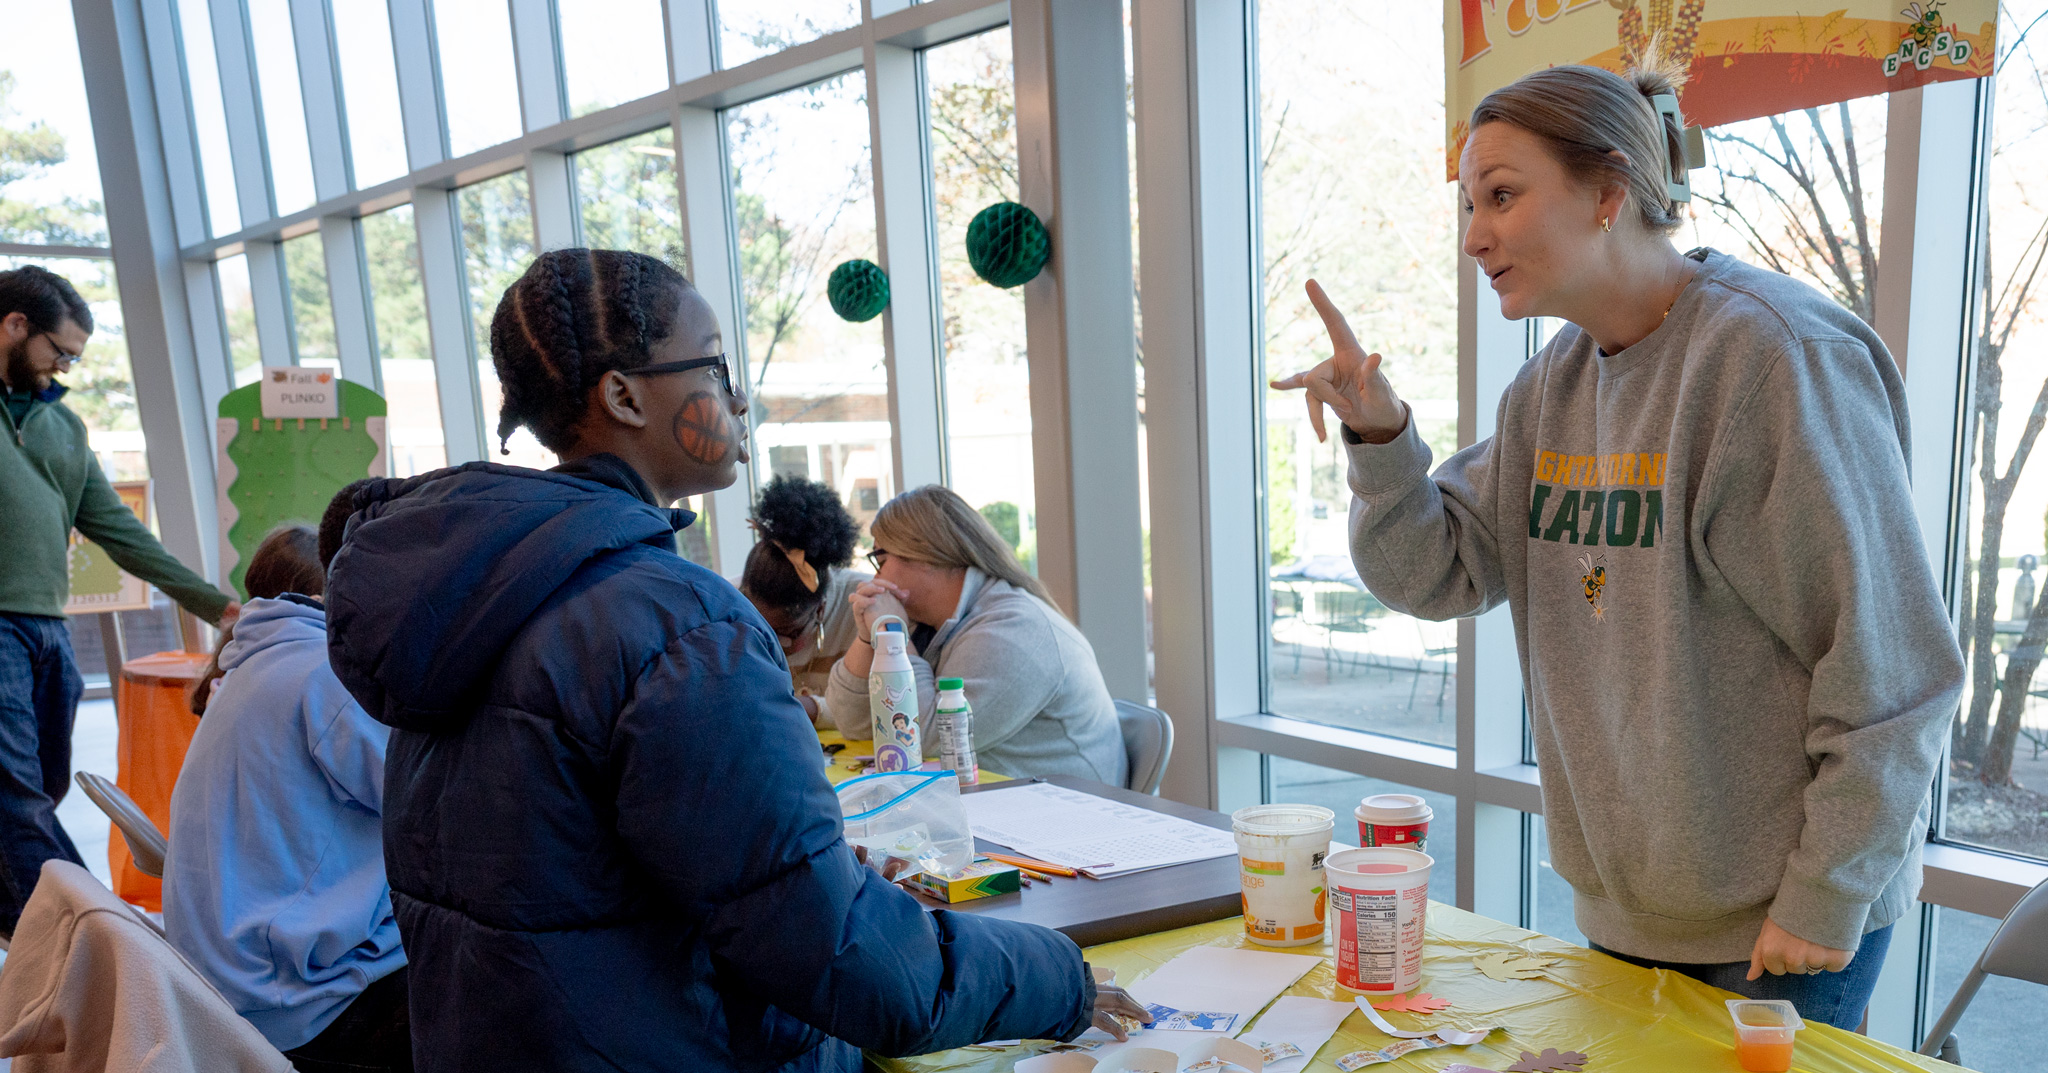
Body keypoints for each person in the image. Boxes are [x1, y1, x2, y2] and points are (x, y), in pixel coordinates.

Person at [321, 249, 1144, 1072]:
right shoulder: (677, 624)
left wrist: (797, 869)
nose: (740, 398)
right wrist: (1056, 977)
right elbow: (839, 953)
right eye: (714, 366)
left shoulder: (468, 602)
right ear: (624, 396)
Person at [1270, 63, 1963, 1030]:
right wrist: (1380, 440)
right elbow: (1434, 574)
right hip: (1629, 911)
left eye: (1501, 196)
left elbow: (1896, 673)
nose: (1473, 237)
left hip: (1781, 926)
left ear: (1608, 190)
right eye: (1470, 205)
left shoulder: (1776, 361)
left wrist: (1826, 892)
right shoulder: (1549, 388)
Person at [0, 264, 238, 937]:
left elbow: (121, 533)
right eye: (59, 351)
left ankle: (34, 923)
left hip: (47, 630)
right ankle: (94, 940)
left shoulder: (63, 427)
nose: (63, 368)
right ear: (15, 326)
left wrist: (217, 606)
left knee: (40, 789)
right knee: (17, 797)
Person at [163, 512, 409, 1073]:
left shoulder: (247, 667)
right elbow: (429, 805)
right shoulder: (323, 675)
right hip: (291, 1002)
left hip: (223, 982)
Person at [823, 485, 1127, 783]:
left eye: (880, 560)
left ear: (926, 554)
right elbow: (854, 723)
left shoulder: (1013, 630)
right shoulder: (930, 621)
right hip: (1004, 798)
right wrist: (868, 638)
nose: (875, 577)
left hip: (1069, 807)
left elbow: (925, 738)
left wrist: (895, 635)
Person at [738, 474, 870, 725]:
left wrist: (809, 708)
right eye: (759, 629)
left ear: (820, 609)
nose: (773, 643)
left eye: (787, 632)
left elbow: (881, 710)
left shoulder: (862, 605)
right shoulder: (725, 606)